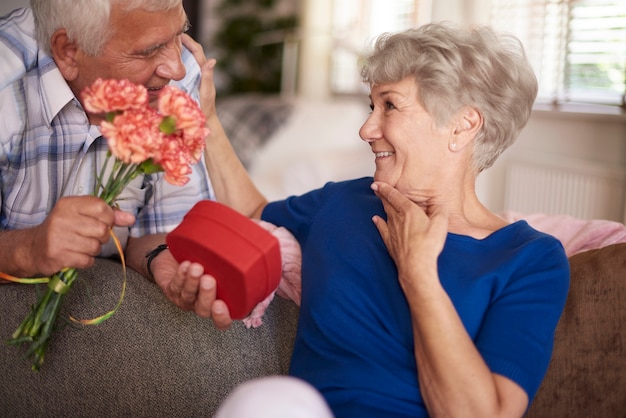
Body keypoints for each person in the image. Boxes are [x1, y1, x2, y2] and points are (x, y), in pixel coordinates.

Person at [191, 22, 571, 417]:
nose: (366, 129)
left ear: (463, 124)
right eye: (372, 106)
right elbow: (254, 214)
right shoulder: (344, 201)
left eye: (389, 105)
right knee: (267, 401)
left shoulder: (531, 259)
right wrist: (207, 120)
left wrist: (418, 272)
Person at [0, 0, 225, 319]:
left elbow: (161, 230)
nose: (178, 68)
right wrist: (27, 249)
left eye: (180, 33)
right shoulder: (5, 85)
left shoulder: (170, 85)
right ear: (67, 52)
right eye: (150, 50)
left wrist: (162, 257)